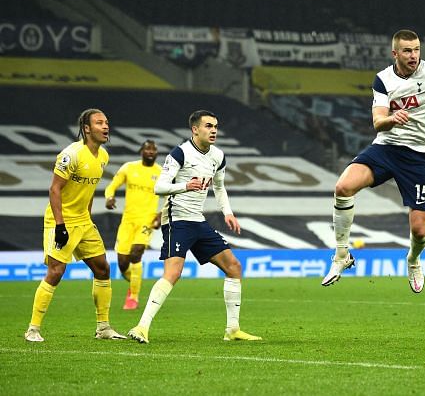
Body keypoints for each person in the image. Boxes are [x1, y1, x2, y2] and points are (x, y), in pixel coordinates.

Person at [322, 29, 425, 292]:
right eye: (407, 51)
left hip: (420, 155)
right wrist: (391, 119)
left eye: (417, 49)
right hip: (387, 148)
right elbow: (377, 122)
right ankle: (341, 255)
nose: (413, 55)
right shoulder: (383, 79)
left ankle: (413, 259)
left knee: (419, 231)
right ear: (395, 53)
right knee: (343, 188)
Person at [127, 110, 261, 343]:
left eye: (216, 126)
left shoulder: (218, 156)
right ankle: (141, 327)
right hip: (177, 219)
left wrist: (227, 212)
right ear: (195, 129)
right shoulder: (180, 153)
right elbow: (159, 187)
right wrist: (185, 186)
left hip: (197, 220)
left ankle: (232, 329)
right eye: (208, 126)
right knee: (173, 272)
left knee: (234, 267)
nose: (214, 130)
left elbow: (219, 187)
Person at [24, 108, 126, 342]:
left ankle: (103, 328)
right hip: (62, 221)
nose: (106, 126)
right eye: (100, 123)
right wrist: (60, 225)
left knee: (102, 269)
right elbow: (55, 189)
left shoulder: (103, 156)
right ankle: (33, 329)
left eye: (107, 122)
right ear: (87, 128)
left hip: (83, 221)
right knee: (56, 271)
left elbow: (89, 191)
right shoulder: (71, 154)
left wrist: (87, 218)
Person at [104, 139, 161, 310]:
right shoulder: (129, 168)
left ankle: (133, 297)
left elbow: (171, 197)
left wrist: (161, 215)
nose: (150, 152)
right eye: (147, 149)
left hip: (147, 219)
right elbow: (111, 186)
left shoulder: (161, 173)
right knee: (122, 263)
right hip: (128, 220)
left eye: (153, 150)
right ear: (141, 152)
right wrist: (109, 197)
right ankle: (135, 282)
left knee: (137, 253)